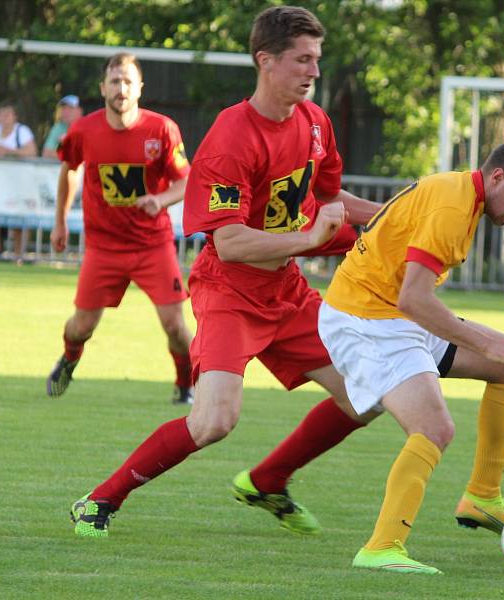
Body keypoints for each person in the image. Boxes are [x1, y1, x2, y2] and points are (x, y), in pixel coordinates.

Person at [68, 6, 382, 538]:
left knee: (367, 394)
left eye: (317, 59)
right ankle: (99, 500)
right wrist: (309, 239)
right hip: (229, 291)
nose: (314, 71)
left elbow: (330, 197)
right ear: (266, 60)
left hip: (285, 291)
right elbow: (231, 243)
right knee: (214, 421)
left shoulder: (314, 122)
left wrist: (396, 223)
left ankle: (268, 480)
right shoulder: (232, 135)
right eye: (302, 59)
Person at [317, 138, 504, 574]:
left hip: (392, 315)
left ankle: (483, 497)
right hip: (365, 318)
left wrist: (494, 346)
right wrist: (487, 341)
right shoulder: (453, 206)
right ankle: (381, 548)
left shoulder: (462, 196)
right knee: (434, 428)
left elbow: (412, 299)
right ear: (498, 177)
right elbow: (414, 298)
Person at [47, 53, 195, 406]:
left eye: (128, 81)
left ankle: (185, 384)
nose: (121, 88)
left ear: (140, 87)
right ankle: (69, 357)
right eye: (115, 81)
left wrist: (159, 201)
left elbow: (187, 181)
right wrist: (60, 220)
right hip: (104, 246)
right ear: (103, 88)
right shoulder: (83, 130)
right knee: (81, 327)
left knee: (175, 325)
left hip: (152, 244)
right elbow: (69, 169)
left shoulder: (162, 129)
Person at [0, 101, 38, 257]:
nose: (4, 117)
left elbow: (31, 151)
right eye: (1, 114)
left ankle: (19, 254)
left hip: (18, 183)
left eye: (7, 114)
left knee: (19, 218)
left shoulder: (22, 131)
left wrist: (10, 152)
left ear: (15, 116)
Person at [42, 94, 83, 159]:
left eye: (70, 108)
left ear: (80, 110)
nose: (66, 112)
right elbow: (46, 153)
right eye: (64, 108)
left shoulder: (90, 127)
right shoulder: (58, 127)